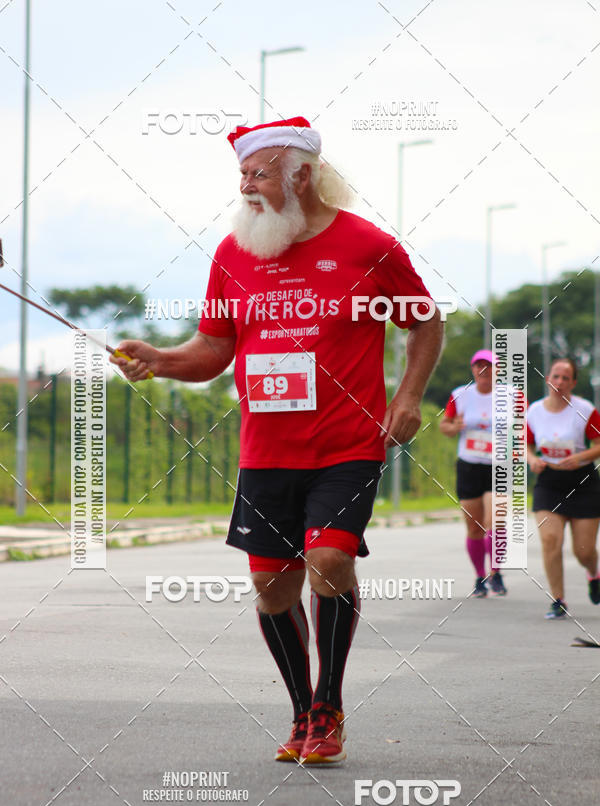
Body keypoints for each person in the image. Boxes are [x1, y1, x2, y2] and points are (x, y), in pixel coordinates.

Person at [111, 116, 443, 764]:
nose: (247, 186)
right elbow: (212, 350)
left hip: (347, 443)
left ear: (302, 174)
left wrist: (407, 398)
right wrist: (158, 357)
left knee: (327, 561)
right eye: (241, 175)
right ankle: (301, 712)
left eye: (258, 173)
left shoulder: (366, 245)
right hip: (266, 450)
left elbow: (424, 323)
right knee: (272, 587)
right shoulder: (235, 253)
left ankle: (329, 704)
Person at [526, 358, 600, 619]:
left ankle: (593, 572)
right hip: (549, 482)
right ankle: (558, 599)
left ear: (573, 383)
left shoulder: (585, 409)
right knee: (550, 540)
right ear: (547, 378)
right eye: (555, 376)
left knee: (584, 551)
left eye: (565, 378)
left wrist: (579, 458)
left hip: (582, 482)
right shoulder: (534, 411)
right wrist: (532, 459)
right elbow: (525, 444)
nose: (559, 382)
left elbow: (598, 444)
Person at [439, 349, 507, 598]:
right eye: (479, 366)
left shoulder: (510, 396)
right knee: (474, 527)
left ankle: (496, 572)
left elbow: (526, 426)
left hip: (498, 465)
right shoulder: (460, 395)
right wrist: (454, 426)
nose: (483, 371)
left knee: (495, 522)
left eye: (488, 366)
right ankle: (480, 576)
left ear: (498, 370)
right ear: (473, 370)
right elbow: (444, 426)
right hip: (469, 465)